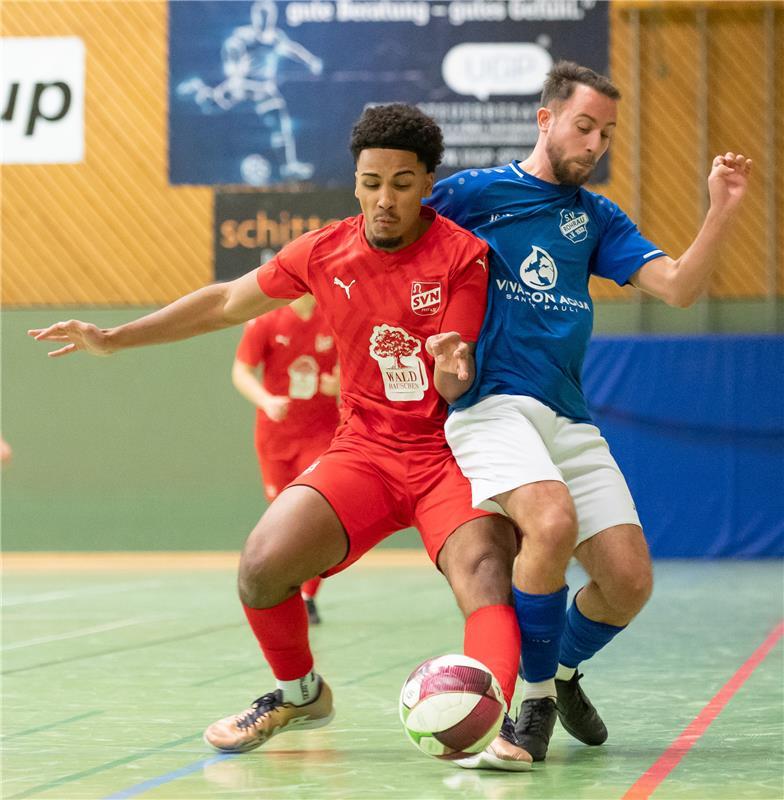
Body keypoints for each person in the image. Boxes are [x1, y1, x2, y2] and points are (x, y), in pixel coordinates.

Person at [30, 104, 533, 771]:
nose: (386, 198)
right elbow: (226, 301)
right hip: (366, 454)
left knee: (486, 575)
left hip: (450, 454)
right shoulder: (326, 252)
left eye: (403, 183)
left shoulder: (462, 256)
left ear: (427, 185)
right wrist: (116, 338)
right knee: (261, 567)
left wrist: (451, 366)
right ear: (355, 181)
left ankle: (486, 717)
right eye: (372, 181)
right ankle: (301, 695)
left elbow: (456, 371)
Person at [426, 60, 752, 762]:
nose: (595, 143)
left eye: (605, 133)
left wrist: (722, 208)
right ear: (545, 120)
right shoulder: (473, 195)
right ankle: (532, 703)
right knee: (549, 522)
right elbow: (390, 246)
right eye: (583, 126)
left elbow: (678, 288)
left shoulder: (597, 218)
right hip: (493, 404)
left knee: (628, 582)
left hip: (568, 416)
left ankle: (563, 671)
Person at [232, 293, 340, 624]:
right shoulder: (267, 320)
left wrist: (339, 384)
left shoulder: (333, 316)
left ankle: (307, 596)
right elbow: (241, 370)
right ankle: (285, 594)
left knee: (316, 516)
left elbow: (355, 364)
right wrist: (265, 400)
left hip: (321, 434)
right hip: (276, 437)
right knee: (282, 523)